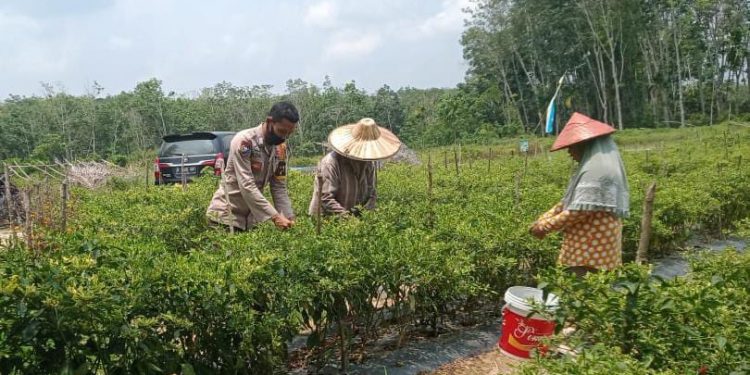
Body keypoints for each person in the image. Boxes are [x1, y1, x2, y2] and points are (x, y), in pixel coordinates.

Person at [529, 112, 630, 276]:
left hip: (590, 251)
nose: (569, 152)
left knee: (583, 292)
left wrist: (545, 227)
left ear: (585, 144)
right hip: (590, 248)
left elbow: (579, 211)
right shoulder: (593, 168)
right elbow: (569, 202)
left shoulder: (597, 171)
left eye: (571, 147)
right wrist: (542, 219)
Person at [206, 101, 298, 231]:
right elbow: (247, 185)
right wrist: (275, 217)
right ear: (270, 121)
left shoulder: (281, 148)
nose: (284, 137)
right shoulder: (244, 141)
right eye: (282, 131)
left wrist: (288, 216)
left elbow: (279, 186)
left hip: (250, 220)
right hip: (225, 217)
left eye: (289, 133)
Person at [308, 118, 401, 217]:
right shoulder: (331, 163)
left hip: (353, 218)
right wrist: (348, 219)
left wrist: (365, 215)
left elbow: (371, 193)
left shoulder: (368, 164)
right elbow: (325, 198)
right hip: (326, 220)